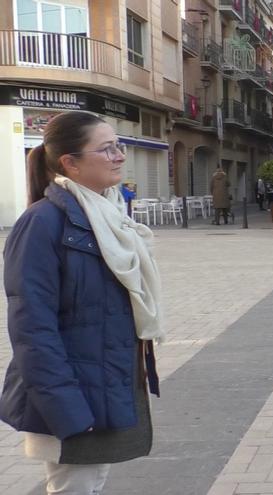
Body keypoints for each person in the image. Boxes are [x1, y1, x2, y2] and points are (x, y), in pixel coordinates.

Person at [0, 111, 163, 494]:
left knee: (93, 481)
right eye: (107, 149)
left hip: (107, 379)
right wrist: (66, 410)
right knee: (76, 485)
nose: (120, 155)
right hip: (73, 391)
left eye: (119, 145)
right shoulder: (43, 223)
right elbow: (32, 330)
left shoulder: (109, 216)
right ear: (70, 163)